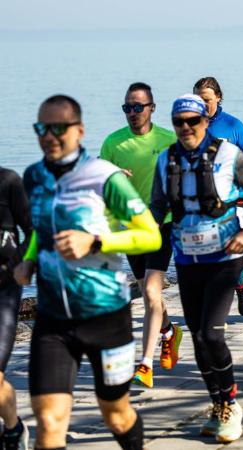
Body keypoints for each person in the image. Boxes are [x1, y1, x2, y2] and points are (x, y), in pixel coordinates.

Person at [17, 95, 161, 450]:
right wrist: (30, 259)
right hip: (52, 320)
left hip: (106, 317)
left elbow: (150, 235)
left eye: (58, 128)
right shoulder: (34, 176)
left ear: (79, 131)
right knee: (49, 423)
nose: (48, 136)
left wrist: (96, 241)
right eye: (41, 129)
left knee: (115, 413)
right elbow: (41, 228)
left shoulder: (105, 177)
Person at [149, 94, 243, 443]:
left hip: (226, 258)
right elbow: (157, 210)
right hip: (187, 259)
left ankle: (231, 403)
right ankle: (217, 404)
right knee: (199, 338)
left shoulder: (229, 155)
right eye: (179, 122)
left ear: (205, 120)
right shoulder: (165, 160)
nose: (186, 128)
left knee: (213, 334)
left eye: (193, 121)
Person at [99, 82, 182, 390]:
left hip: (163, 225)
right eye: (127, 108)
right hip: (130, 228)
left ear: (152, 108)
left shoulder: (169, 139)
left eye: (138, 107)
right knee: (151, 293)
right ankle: (169, 331)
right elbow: (101, 185)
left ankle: (145, 364)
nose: (132, 114)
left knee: (149, 291)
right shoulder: (113, 143)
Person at [193, 77, 243, 317]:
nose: (202, 105)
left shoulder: (233, 125)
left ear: (218, 98)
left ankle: (241, 285)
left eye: (206, 100)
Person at [0, 166, 32, 450]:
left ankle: (12, 429)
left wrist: (17, 264)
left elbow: (32, 231)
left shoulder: (8, 181)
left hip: (4, 289)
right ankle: (13, 427)